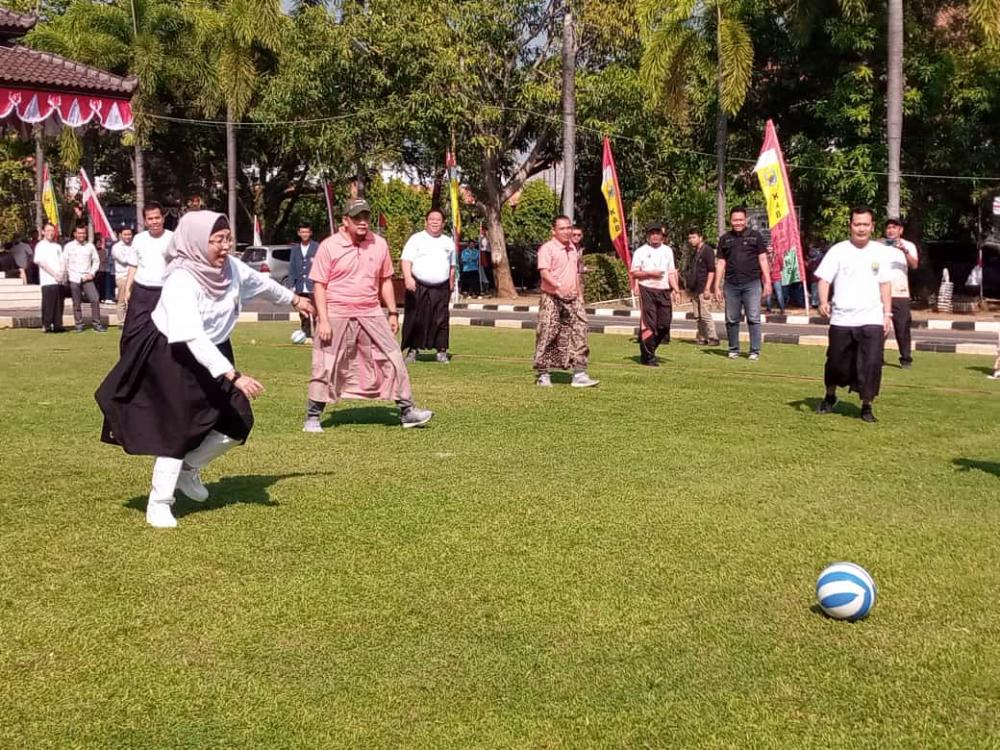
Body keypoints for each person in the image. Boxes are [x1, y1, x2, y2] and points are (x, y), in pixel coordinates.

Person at [96, 211, 315, 529]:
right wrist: (233, 375)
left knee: (238, 422)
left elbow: (261, 284)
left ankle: (189, 469)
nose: (225, 246)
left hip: (216, 350)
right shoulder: (181, 279)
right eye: (217, 240)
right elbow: (190, 335)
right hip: (175, 354)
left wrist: (295, 299)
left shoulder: (231, 268)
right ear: (197, 241)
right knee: (177, 428)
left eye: (228, 238)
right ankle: (159, 503)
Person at [303, 199, 434, 432]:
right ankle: (313, 416)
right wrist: (323, 319)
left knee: (394, 358)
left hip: (371, 310)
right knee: (326, 364)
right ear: (345, 221)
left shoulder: (379, 244)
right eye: (357, 218)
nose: (363, 222)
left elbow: (385, 280)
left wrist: (393, 312)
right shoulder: (329, 246)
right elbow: (319, 285)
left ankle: (407, 411)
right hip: (336, 311)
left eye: (366, 217)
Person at [815, 206, 893, 423]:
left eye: (865, 224)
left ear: (872, 226)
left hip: (872, 319)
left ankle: (866, 406)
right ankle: (830, 397)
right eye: (857, 224)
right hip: (842, 318)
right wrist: (823, 301)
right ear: (850, 225)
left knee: (871, 364)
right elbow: (824, 279)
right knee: (835, 362)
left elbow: (885, 284)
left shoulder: (880, 251)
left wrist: (887, 314)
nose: (861, 228)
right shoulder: (838, 250)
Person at [533, 215, 599, 387]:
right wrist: (558, 286)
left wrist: (579, 294)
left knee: (580, 330)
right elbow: (544, 273)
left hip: (573, 297)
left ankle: (579, 373)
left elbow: (575, 273)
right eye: (562, 228)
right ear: (553, 231)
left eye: (569, 227)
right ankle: (543, 373)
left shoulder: (573, 249)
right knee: (548, 332)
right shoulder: (547, 249)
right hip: (552, 296)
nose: (566, 231)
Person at [714, 207, 771, 360]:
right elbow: (720, 263)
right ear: (730, 221)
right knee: (731, 318)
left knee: (753, 318)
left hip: (752, 283)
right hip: (731, 284)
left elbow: (763, 259)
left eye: (740, 220)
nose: (738, 223)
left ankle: (754, 351)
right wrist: (716, 286)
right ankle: (733, 349)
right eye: (734, 220)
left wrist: (768, 281)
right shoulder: (725, 239)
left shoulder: (755, 237)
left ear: (745, 220)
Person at [401, 209, 456, 364]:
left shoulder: (448, 242)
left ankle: (441, 351)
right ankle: (413, 350)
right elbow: (406, 260)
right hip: (418, 285)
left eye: (438, 220)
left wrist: (451, 283)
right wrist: (407, 278)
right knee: (416, 319)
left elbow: (452, 266)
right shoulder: (416, 239)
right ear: (426, 221)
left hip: (442, 287)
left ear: (443, 223)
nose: (434, 222)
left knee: (441, 319)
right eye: (431, 219)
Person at [630, 222, 679, 366]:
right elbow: (634, 272)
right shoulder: (641, 251)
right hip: (647, 289)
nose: (655, 236)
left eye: (657, 233)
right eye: (652, 234)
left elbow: (671, 271)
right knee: (649, 324)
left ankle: (649, 349)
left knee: (664, 324)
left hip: (663, 290)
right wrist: (650, 273)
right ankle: (648, 356)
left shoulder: (668, 251)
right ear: (647, 236)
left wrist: (676, 288)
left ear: (662, 235)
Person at [124, 202, 174, 341]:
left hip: (164, 291)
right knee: (133, 333)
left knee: (163, 333)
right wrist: (128, 289)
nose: (154, 222)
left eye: (157, 218)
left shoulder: (173, 238)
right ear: (145, 221)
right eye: (150, 219)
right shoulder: (139, 239)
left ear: (163, 218)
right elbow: (133, 265)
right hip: (141, 292)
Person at [881, 217, 919, 369]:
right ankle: (878, 356)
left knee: (902, 327)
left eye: (894, 228)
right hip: (881, 292)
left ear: (900, 230)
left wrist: (904, 250)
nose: (891, 230)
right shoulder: (878, 245)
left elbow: (915, 265)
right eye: (889, 228)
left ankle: (905, 358)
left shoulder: (908, 245)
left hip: (900, 293)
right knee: (879, 327)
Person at [63, 225, 106, 333]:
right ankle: (79, 324)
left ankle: (96, 323)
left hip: (87, 277)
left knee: (95, 299)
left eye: (83, 233)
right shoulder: (69, 246)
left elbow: (96, 261)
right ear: (75, 234)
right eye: (79, 233)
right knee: (77, 302)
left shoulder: (90, 246)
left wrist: (92, 273)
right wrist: (67, 275)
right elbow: (64, 262)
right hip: (74, 277)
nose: (81, 235)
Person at [686, 228, 719, 345]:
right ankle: (702, 337)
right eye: (690, 238)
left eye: (693, 237)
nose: (691, 240)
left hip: (704, 287)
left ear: (700, 237)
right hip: (695, 288)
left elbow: (711, 270)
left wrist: (707, 288)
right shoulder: (695, 252)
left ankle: (713, 337)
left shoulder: (707, 250)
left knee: (705, 314)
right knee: (697, 315)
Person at [288, 223, 319, 340]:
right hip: (301, 286)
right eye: (302, 232)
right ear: (299, 233)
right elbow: (292, 269)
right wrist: (292, 285)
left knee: (316, 311)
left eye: (307, 232)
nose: (305, 234)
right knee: (304, 313)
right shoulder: (295, 249)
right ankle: (306, 335)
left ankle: (318, 336)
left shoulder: (317, 247)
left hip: (314, 286)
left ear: (310, 233)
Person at [34, 223, 65, 332]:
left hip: (59, 280)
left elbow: (62, 261)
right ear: (43, 232)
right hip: (47, 280)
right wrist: (54, 274)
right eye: (48, 230)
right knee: (48, 303)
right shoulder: (40, 245)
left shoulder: (57, 246)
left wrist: (61, 273)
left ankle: (58, 324)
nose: (50, 233)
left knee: (59, 303)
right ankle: (46, 324)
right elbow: (41, 262)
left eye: (52, 230)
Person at [111, 227, 136, 322]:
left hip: (136, 277)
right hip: (123, 277)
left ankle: (133, 320)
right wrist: (136, 258)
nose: (128, 237)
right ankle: (121, 321)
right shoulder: (116, 247)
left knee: (134, 301)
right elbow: (124, 260)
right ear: (121, 235)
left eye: (129, 234)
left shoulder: (135, 245)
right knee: (122, 300)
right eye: (125, 234)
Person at [765, 243, 785, 313]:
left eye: (771, 247)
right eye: (768, 247)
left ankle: (782, 308)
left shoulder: (777, 256)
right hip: (767, 277)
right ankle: (768, 308)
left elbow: (782, 265)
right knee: (768, 293)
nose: (769, 248)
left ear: (773, 248)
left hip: (776, 276)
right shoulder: (765, 256)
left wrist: (777, 270)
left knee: (779, 293)